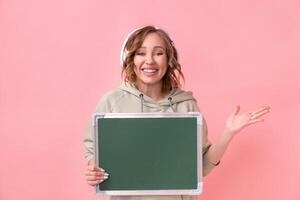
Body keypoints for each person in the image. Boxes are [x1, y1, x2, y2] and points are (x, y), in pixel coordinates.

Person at [83, 26, 270, 200]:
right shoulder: (111, 103)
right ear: (130, 59)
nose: (149, 60)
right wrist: (93, 170)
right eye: (141, 53)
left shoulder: (186, 106)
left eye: (158, 53)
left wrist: (229, 132)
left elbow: (201, 167)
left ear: (169, 59)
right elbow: (95, 157)